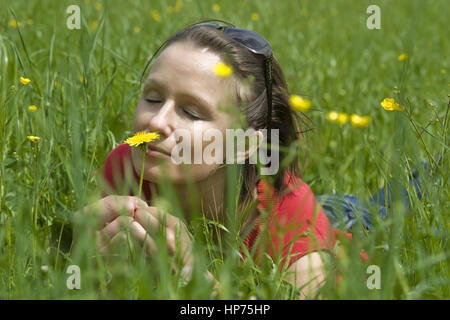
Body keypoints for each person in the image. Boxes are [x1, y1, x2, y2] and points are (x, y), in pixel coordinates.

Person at [73, 19, 358, 299]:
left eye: (192, 112)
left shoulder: (289, 216)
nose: (158, 122)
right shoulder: (127, 165)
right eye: (153, 98)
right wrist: (81, 253)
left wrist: (194, 278)